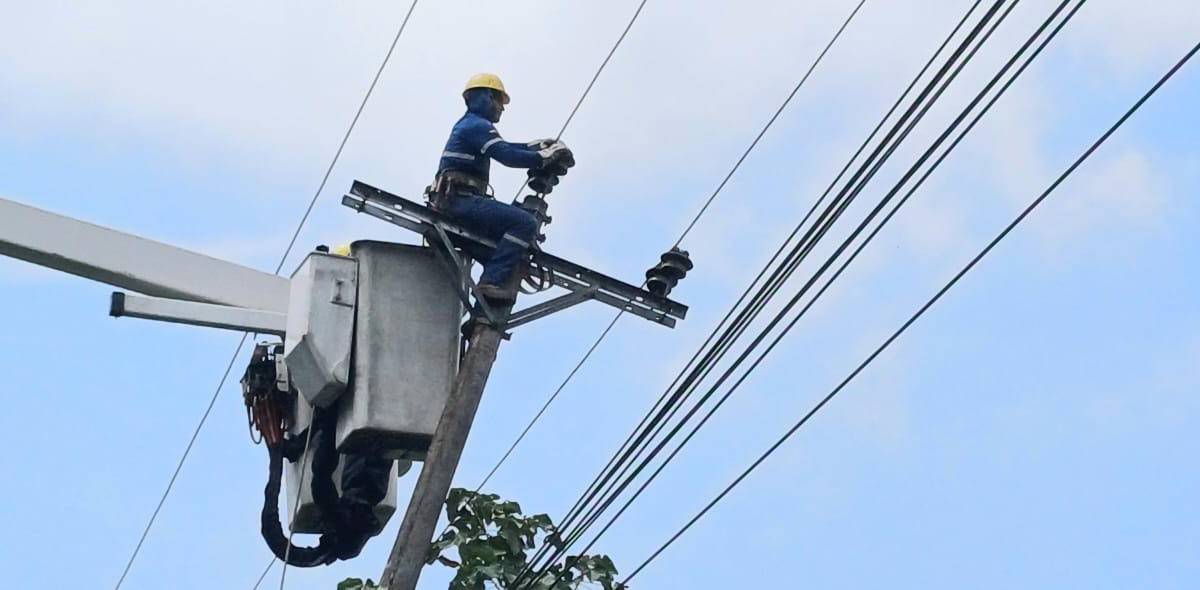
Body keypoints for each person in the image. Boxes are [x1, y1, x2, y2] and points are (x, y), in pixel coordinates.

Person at [431, 73, 570, 303]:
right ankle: (491, 283)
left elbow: (505, 147)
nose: (501, 109)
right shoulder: (476, 125)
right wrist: (544, 157)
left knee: (504, 247)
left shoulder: (472, 126)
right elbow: (507, 155)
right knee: (524, 223)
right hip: (459, 202)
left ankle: (493, 286)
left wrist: (535, 146)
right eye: (498, 101)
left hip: (456, 200)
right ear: (485, 97)